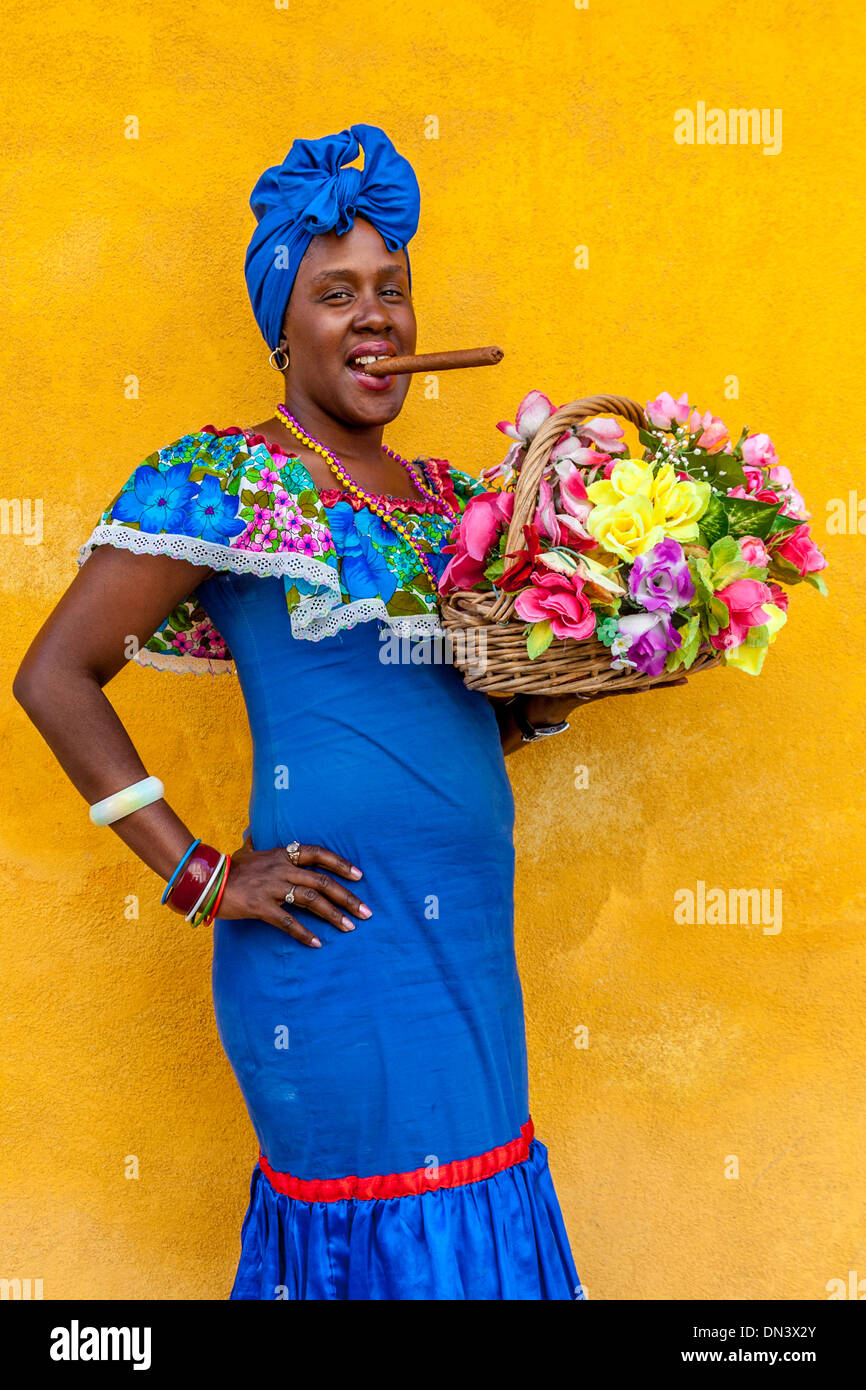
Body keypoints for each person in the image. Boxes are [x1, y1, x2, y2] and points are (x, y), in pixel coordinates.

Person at [14, 124, 680, 1300]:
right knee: (387, 1250)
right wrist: (202, 876)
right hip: (328, 962)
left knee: (481, 1212)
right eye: (335, 294)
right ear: (283, 323)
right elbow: (54, 675)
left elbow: (481, 715)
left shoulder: (458, 505)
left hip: (468, 946)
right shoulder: (228, 481)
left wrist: (610, 620)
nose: (373, 317)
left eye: (393, 291)